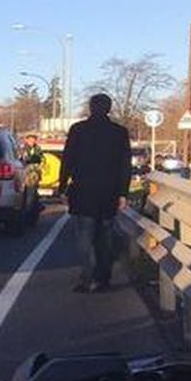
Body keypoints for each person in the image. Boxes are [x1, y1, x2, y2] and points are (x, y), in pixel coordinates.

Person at [58, 93, 130, 293]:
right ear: (109, 108)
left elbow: (68, 160)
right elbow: (125, 165)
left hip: (83, 191)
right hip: (109, 192)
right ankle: (103, 278)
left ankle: (86, 278)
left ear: (91, 108)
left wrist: (62, 186)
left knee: (84, 236)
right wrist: (123, 193)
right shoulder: (119, 132)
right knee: (105, 237)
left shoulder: (78, 130)